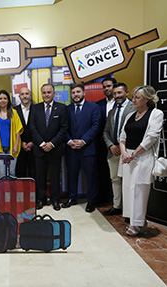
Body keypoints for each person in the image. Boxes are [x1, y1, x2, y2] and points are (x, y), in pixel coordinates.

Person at [118, 85, 163, 236]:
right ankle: (135, 220)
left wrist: (134, 154)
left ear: (148, 99)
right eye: (134, 96)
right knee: (128, 189)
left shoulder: (156, 114)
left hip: (143, 157)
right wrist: (124, 153)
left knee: (139, 190)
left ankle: (136, 224)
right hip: (127, 158)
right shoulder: (130, 115)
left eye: (137, 97)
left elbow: (152, 137)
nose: (134, 100)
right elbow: (122, 136)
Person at [63, 84, 101, 213]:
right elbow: (63, 128)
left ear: (84, 93)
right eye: (73, 92)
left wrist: (83, 141)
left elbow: (96, 126)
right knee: (72, 175)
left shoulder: (94, 107)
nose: (76, 94)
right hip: (71, 148)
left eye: (78, 92)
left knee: (91, 175)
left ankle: (91, 201)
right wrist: (69, 141)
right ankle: (72, 198)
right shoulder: (66, 109)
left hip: (88, 148)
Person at [30, 84, 69, 210]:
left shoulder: (62, 108)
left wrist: (52, 144)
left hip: (55, 149)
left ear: (53, 93)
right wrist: (42, 143)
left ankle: (55, 200)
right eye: (44, 92)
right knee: (40, 176)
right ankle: (41, 199)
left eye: (48, 92)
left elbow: (63, 128)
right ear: (41, 94)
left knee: (55, 176)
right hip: (39, 149)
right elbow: (32, 128)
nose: (46, 95)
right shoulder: (35, 108)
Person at [102, 83, 135, 216]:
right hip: (113, 151)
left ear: (127, 92)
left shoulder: (135, 108)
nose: (116, 96)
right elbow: (105, 132)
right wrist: (110, 145)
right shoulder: (112, 112)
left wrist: (123, 148)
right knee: (115, 179)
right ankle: (117, 206)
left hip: (129, 152)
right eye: (115, 94)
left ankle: (129, 211)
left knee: (128, 182)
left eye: (119, 93)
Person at [0, 90, 23, 176]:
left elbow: (18, 130)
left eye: (5, 98)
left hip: (12, 147)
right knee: (1, 173)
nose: (2, 100)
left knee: (11, 172)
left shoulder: (13, 112)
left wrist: (16, 145)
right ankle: (1, 190)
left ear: (8, 100)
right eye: (0, 98)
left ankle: (11, 190)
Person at [95, 77, 117, 204]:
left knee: (117, 175)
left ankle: (117, 201)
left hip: (117, 145)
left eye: (109, 86)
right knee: (102, 172)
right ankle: (103, 198)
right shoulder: (98, 104)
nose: (106, 89)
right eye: (104, 87)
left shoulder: (125, 103)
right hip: (101, 144)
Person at [14, 87, 36, 179]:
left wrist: (33, 142)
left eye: (27, 94)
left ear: (30, 95)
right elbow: (13, 129)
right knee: (20, 173)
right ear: (19, 96)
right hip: (19, 147)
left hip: (35, 147)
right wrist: (21, 142)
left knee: (35, 173)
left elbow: (41, 127)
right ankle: (21, 193)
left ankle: (35, 193)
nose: (25, 96)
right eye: (22, 94)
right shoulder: (14, 110)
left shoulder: (38, 109)